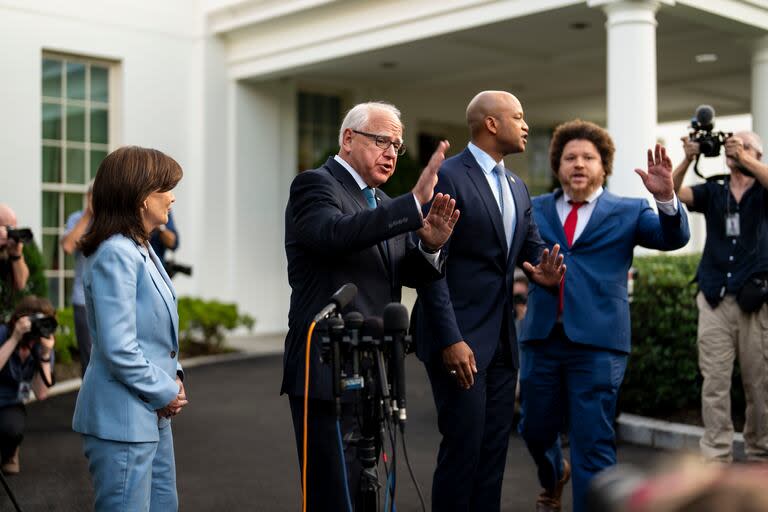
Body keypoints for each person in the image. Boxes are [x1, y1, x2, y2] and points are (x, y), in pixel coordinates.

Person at [283, 101, 460, 510]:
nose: (392, 153)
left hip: (373, 370)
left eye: (397, 145)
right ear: (348, 139)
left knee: (367, 490)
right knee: (334, 494)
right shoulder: (315, 185)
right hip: (325, 365)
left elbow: (401, 268)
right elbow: (334, 234)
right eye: (383, 141)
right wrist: (411, 205)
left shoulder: (380, 201)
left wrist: (430, 246)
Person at [518, 120, 690, 512]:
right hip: (542, 338)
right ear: (558, 166)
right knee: (533, 428)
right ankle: (552, 473)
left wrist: (666, 200)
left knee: (592, 442)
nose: (578, 164)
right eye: (570, 157)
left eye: (588, 158)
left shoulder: (628, 211)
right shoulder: (535, 208)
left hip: (598, 344)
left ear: (604, 165)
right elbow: (514, 255)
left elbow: (673, 238)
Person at [411, 90, 565, 512]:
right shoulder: (450, 176)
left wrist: (544, 273)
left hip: (501, 342)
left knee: (493, 454)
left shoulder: (516, 184)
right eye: (518, 116)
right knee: (463, 450)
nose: (526, 124)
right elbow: (430, 265)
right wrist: (450, 340)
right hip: (456, 340)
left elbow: (529, 247)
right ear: (491, 124)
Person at [72, 146, 189, 511]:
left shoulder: (141, 247)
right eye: (165, 188)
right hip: (122, 419)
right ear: (140, 198)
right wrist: (165, 389)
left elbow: (152, 336)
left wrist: (176, 374)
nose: (171, 198)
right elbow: (118, 347)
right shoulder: (115, 253)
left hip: (149, 414)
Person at [672, 130, 768, 463]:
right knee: (714, 382)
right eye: (732, 146)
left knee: (760, 384)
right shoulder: (715, 189)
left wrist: (746, 159)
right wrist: (688, 158)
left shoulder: (762, 189)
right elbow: (671, 191)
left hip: (756, 302)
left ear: (757, 153)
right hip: (714, 298)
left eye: (744, 146)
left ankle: (760, 453)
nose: (735, 150)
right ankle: (716, 457)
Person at [0, 295, 56, 475]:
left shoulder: (42, 345)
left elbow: (41, 393)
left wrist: (46, 354)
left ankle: (10, 453)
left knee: (12, 429)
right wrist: (15, 338)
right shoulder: (3, 333)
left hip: (11, 402)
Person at [61, 184, 93, 376]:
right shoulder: (77, 218)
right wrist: (88, 214)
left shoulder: (112, 220)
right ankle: (89, 404)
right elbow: (67, 246)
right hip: (83, 298)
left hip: (110, 298)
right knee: (88, 357)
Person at [0, 205, 31, 322]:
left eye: (14, 227)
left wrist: (17, 254)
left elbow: (21, 284)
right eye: (8, 228)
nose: (12, 232)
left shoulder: (12, 249)